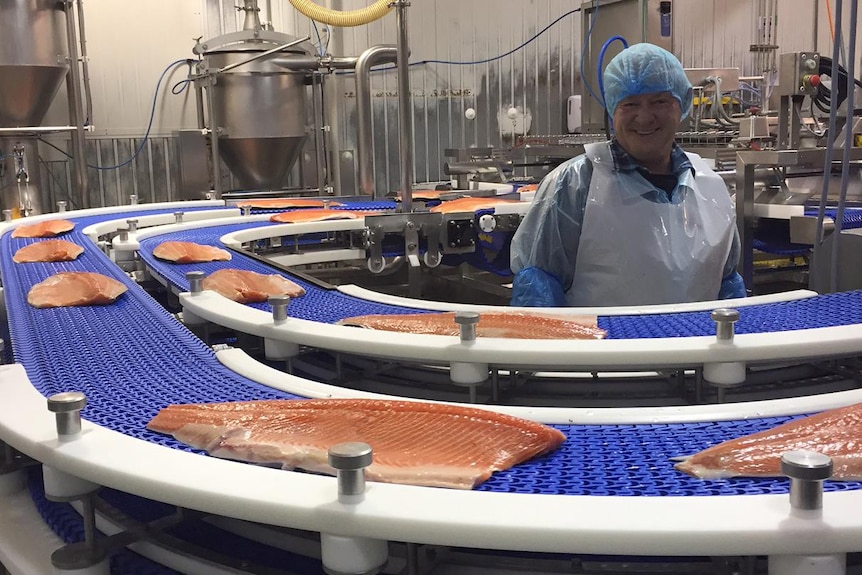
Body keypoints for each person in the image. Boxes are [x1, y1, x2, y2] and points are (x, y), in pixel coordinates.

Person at [510, 43, 746, 307]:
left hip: (693, 345)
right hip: (604, 348)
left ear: (683, 104)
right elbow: (538, 287)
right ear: (612, 110)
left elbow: (727, 286)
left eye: (659, 101)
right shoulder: (575, 184)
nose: (644, 117)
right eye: (630, 104)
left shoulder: (710, 188)